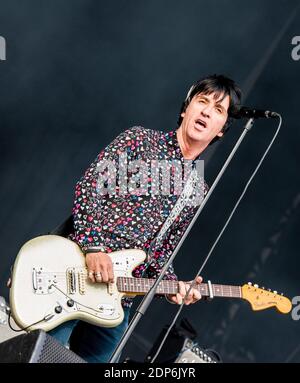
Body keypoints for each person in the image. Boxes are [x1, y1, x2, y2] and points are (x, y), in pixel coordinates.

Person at [48, 74, 242, 362]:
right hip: (77, 271)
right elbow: (90, 189)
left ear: (222, 130)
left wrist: (175, 285)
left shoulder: (197, 187)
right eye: (202, 102)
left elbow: (163, 250)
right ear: (185, 108)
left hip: (119, 299)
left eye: (218, 109)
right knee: (44, 355)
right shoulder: (140, 140)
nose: (206, 111)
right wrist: (94, 248)